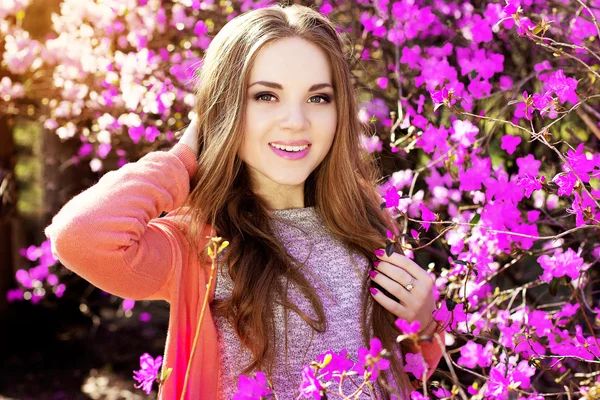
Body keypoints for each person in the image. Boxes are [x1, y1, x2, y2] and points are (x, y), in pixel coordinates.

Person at [45, 4, 445, 399]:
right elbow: (79, 236)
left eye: (319, 98)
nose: (296, 121)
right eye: (266, 96)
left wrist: (424, 327)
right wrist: (187, 156)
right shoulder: (198, 248)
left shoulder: (367, 225)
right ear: (224, 109)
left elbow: (395, 374)